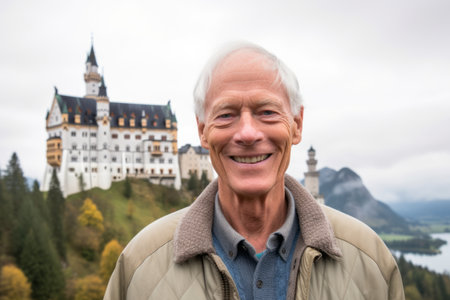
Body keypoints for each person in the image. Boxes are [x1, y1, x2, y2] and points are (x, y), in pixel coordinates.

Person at [104, 43, 405, 300]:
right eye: (226, 114)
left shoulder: (369, 261)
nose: (247, 133)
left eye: (267, 112)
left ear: (297, 125)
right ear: (202, 131)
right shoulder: (139, 268)